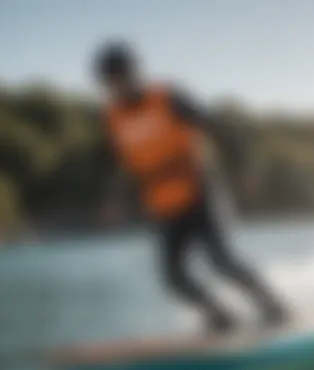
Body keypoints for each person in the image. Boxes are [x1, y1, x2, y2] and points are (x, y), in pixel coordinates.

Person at [93, 40, 288, 333]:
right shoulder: (114, 118)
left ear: (134, 72)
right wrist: (112, 198)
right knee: (173, 277)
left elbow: (216, 126)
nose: (117, 86)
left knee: (221, 261)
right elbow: (114, 161)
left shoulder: (168, 98)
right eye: (110, 82)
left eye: (121, 77)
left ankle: (275, 308)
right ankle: (221, 318)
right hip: (164, 206)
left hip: (200, 194)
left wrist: (244, 165)